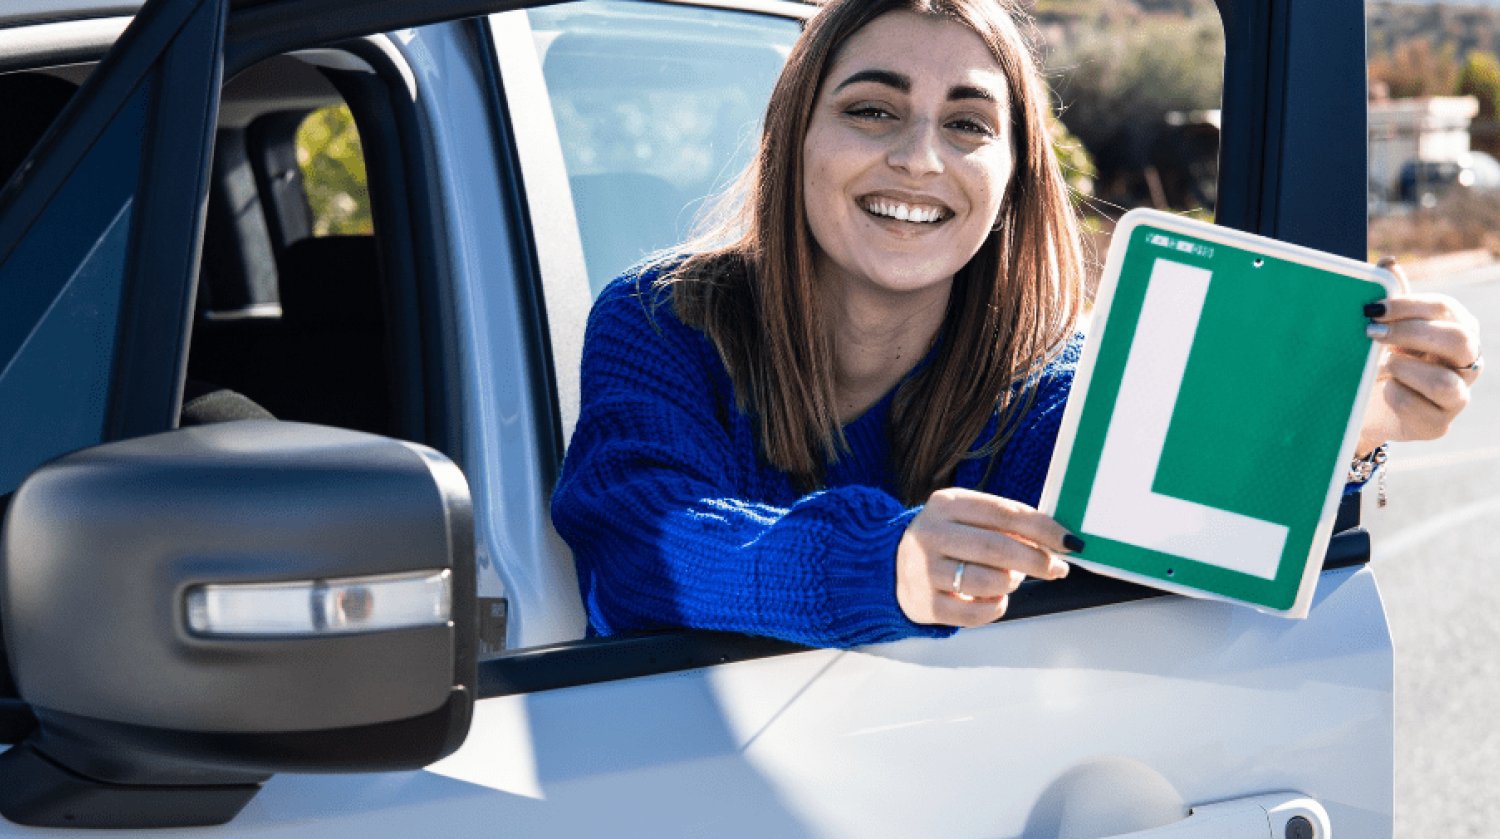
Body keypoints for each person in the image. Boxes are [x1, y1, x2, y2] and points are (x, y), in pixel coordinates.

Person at [551, 0, 1483, 648]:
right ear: (793, 140)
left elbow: (1161, 539)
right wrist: (887, 565)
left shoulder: (1052, 387)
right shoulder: (662, 322)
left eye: (967, 125)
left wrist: (1340, 424)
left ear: (1012, 179)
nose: (919, 158)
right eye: (871, 110)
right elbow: (646, 548)